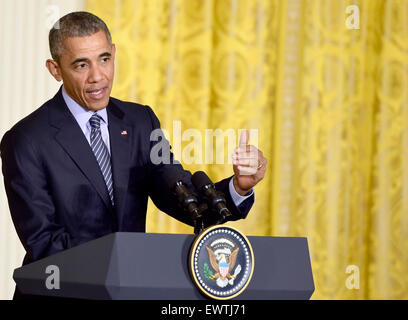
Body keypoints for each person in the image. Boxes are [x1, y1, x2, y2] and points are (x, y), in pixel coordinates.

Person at [0, 12, 267, 300]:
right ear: (55, 69)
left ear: (114, 53)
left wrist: (239, 187)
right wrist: (126, 262)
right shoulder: (25, 140)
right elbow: (43, 242)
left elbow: (183, 197)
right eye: (81, 65)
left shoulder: (140, 122)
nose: (98, 76)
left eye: (104, 59)